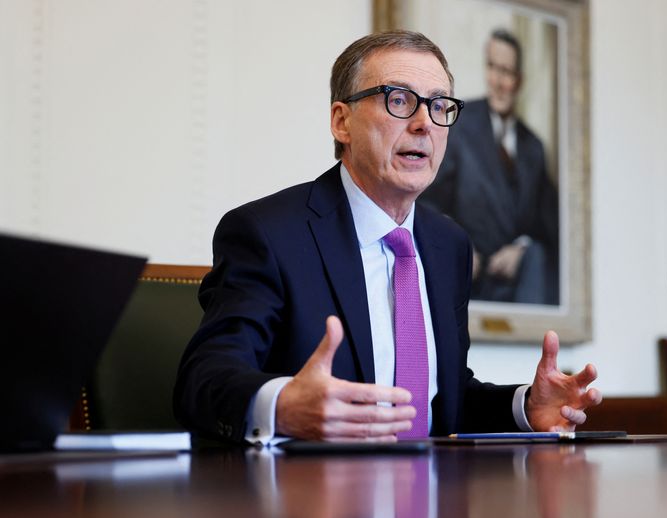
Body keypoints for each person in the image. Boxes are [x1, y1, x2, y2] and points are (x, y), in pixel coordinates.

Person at [173, 30, 600, 444]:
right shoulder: (268, 234)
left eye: (438, 106)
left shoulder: (447, 244)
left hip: (435, 506)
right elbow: (204, 377)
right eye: (399, 100)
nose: (423, 124)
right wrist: (281, 405)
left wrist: (524, 407)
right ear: (342, 121)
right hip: (311, 505)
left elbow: (440, 404)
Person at [420, 29, 559, 304]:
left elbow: (550, 226)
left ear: (518, 81)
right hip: (467, 282)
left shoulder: (534, 147)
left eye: (506, 71)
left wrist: (523, 248)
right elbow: (425, 200)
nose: (497, 81)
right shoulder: (459, 125)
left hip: (519, 288)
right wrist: (457, 242)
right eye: (492, 67)